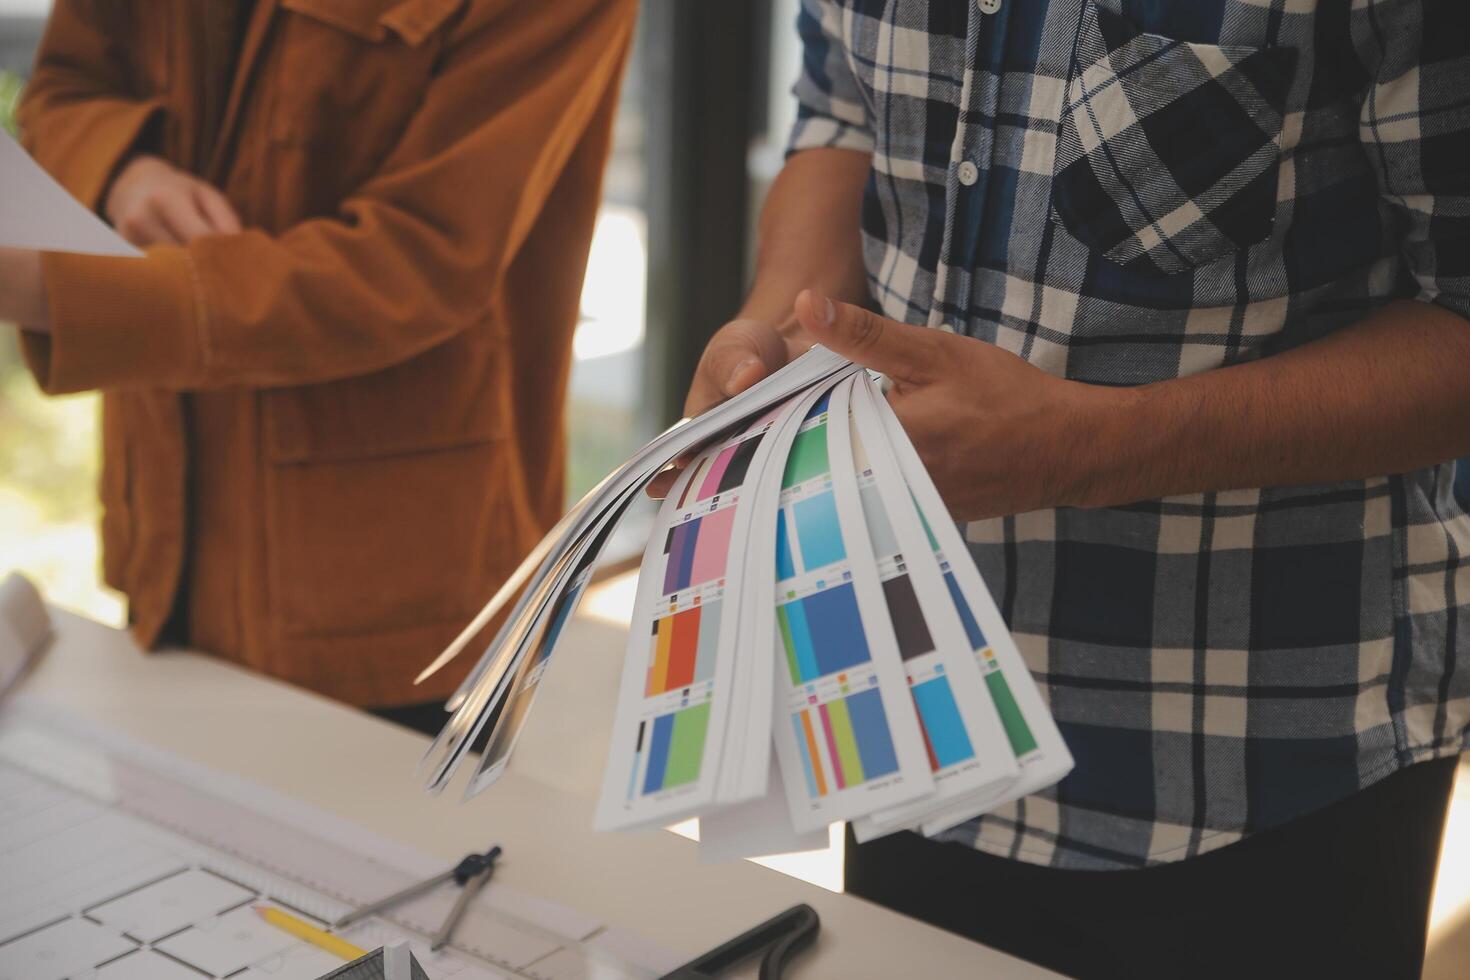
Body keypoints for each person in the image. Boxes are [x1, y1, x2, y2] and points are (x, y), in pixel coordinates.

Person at [679, 1, 1469, 977]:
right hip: (905, 706)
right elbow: (841, 113)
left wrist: (1086, 450)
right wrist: (781, 327)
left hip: (1262, 755)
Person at [0, 0, 636, 726]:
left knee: (397, 834)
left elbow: (419, 260)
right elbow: (68, 82)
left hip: (398, 607)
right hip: (166, 544)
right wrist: (123, 169)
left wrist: (59, 294)